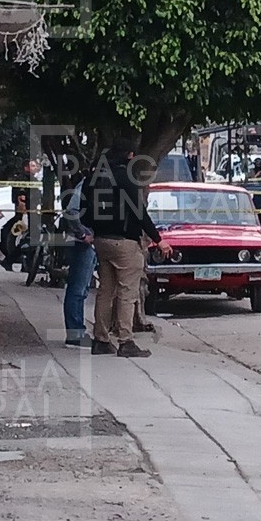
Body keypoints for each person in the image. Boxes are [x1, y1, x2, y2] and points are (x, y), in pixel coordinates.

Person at [80, 138, 173, 358]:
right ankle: (126, 341)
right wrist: (158, 239)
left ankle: (100, 340)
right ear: (130, 155)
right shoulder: (125, 177)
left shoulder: (94, 177)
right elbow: (139, 211)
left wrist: (94, 230)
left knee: (105, 291)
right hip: (124, 243)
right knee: (127, 293)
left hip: (100, 241)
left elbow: (83, 210)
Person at [60, 170, 96, 348]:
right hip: (82, 243)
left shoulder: (91, 184)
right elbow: (71, 210)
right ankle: (75, 334)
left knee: (81, 288)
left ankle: (76, 331)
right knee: (78, 288)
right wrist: (83, 234)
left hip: (85, 241)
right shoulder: (87, 184)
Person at [0, 159, 39, 271]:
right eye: (33, 166)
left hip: (31, 212)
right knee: (26, 240)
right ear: (26, 167)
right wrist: (24, 212)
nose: (36, 168)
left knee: (30, 239)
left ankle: (26, 265)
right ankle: (10, 260)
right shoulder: (23, 179)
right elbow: (21, 198)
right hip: (25, 214)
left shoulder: (32, 179)